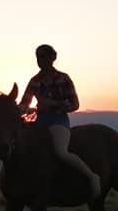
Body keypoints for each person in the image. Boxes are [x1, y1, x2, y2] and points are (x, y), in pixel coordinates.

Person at [18, 44, 101, 199]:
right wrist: (20, 109)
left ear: (52, 58)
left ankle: (91, 176)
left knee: (60, 152)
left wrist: (52, 104)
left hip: (58, 120)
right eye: (38, 57)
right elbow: (25, 102)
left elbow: (75, 104)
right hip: (40, 120)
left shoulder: (63, 78)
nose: (40, 60)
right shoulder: (34, 81)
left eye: (43, 56)